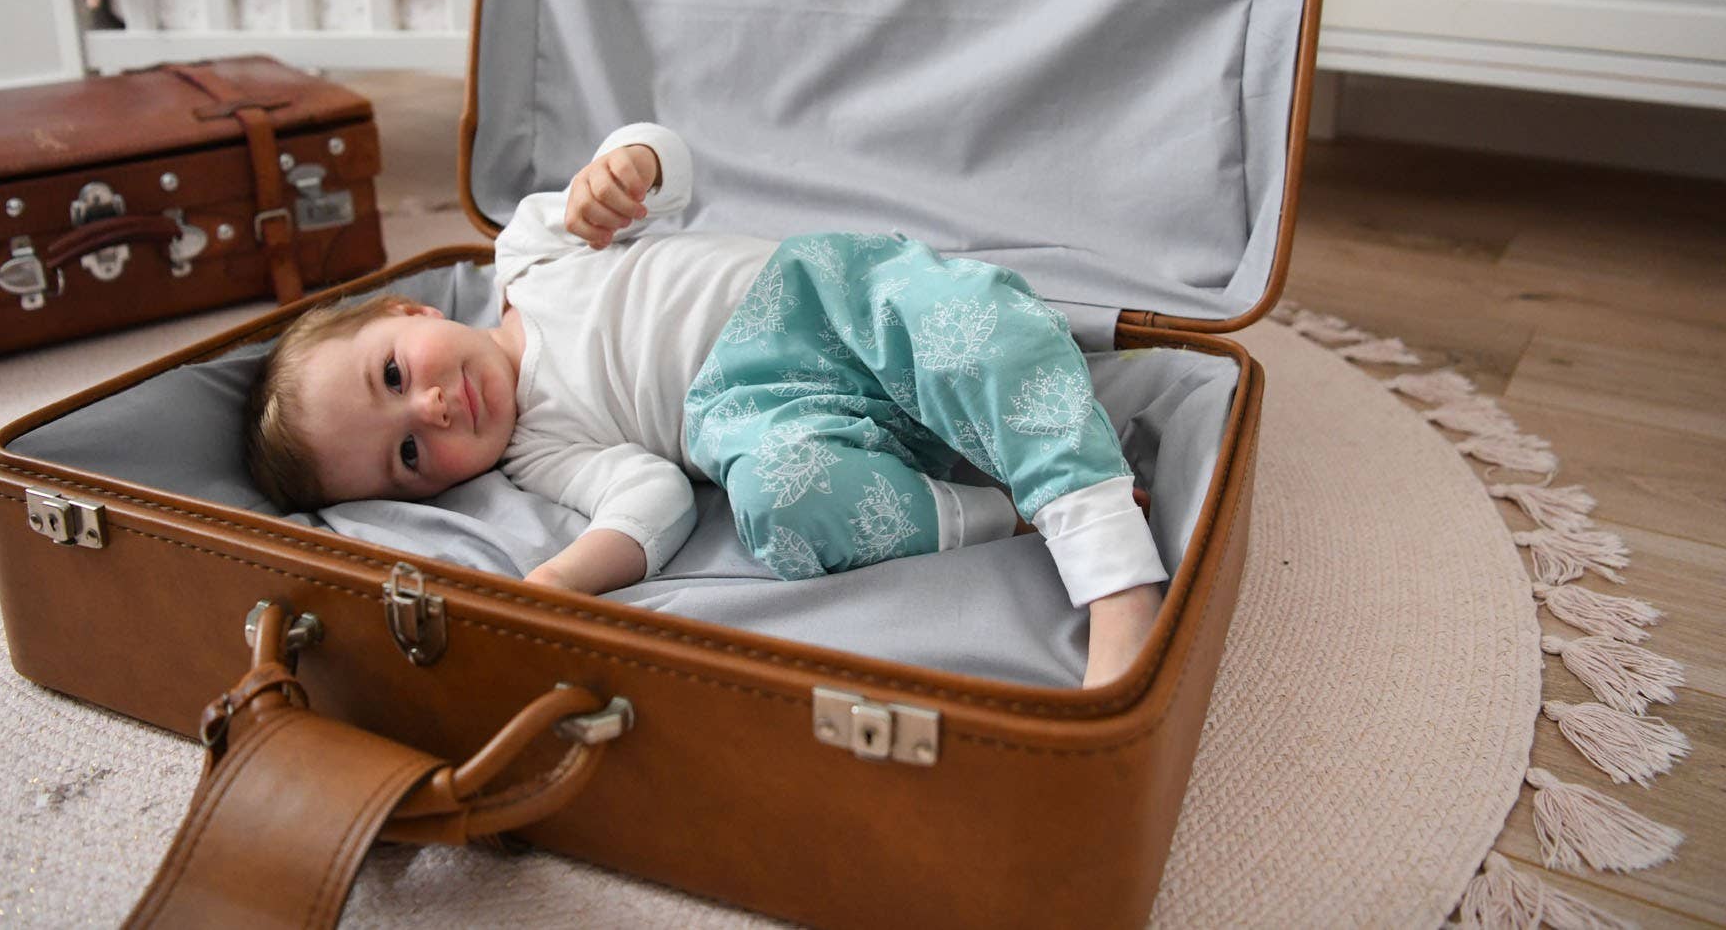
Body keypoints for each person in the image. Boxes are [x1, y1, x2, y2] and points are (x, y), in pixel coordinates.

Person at [245, 124, 1166, 687]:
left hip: (812, 297)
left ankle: (1111, 570)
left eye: (394, 376)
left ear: (409, 313)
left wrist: (627, 165)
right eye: (409, 454)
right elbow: (653, 501)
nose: (435, 410)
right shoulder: (539, 453)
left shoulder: (528, 253)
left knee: (962, 326)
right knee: (780, 506)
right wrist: (561, 579)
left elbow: (671, 167)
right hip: (755, 416)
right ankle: (999, 514)